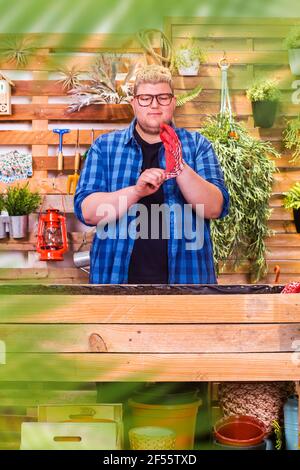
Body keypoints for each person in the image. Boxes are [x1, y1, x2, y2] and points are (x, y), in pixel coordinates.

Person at [74, 64, 229, 284]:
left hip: (188, 285)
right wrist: (136, 192)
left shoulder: (197, 145)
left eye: (163, 97)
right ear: (134, 103)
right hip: (115, 285)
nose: (154, 104)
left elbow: (215, 207)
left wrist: (179, 164)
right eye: (146, 98)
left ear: (173, 102)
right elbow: (87, 212)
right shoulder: (105, 147)